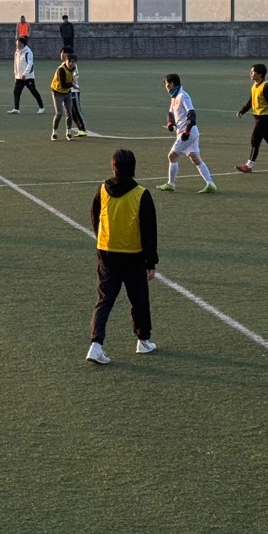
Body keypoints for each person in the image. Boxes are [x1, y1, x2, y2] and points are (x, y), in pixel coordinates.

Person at [86, 148, 158, 364]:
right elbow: (149, 230)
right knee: (138, 300)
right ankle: (143, 340)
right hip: (133, 255)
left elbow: (94, 217)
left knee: (104, 300)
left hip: (106, 252)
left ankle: (95, 345)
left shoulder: (103, 190)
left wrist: (102, 239)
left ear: (113, 167)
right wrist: (151, 261)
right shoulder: (141, 194)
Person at [159, 73, 217, 194]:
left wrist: (186, 131)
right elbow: (171, 113)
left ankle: (171, 184)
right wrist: (170, 123)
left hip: (187, 134)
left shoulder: (182, 96)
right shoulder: (174, 97)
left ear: (170, 84)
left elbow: (191, 113)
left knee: (172, 156)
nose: (166, 87)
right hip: (187, 133)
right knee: (195, 158)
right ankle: (210, 184)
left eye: (166, 84)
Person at [10, 36, 45, 114]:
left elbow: (30, 64)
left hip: (28, 77)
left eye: (18, 44)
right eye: (16, 44)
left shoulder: (28, 52)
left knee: (33, 91)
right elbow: (16, 64)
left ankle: (41, 107)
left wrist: (25, 74)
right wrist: (16, 74)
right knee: (16, 92)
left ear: (22, 44)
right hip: (19, 77)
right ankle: (16, 109)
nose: (17, 45)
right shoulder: (16, 52)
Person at [49, 51, 79, 141]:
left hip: (67, 93)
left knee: (69, 112)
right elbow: (63, 84)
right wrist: (72, 84)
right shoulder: (61, 69)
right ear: (66, 61)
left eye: (73, 62)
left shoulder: (74, 68)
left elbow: (73, 78)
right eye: (70, 61)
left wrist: (73, 82)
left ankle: (68, 133)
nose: (72, 64)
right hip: (57, 92)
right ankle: (54, 133)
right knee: (59, 113)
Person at [66, 50, 89, 137]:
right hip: (68, 90)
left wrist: (71, 83)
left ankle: (83, 128)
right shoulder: (64, 66)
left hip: (74, 91)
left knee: (76, 109)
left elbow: (75, 77)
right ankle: (80, 129)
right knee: (71, 111)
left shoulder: (74, 68)